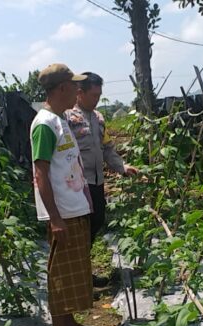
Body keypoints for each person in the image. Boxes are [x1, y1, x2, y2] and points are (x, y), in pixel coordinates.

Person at [32, 63, 102, 326]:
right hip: (62, 213)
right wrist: (56, 218)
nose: (78, 90)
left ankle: (70, 324)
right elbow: (40, 174)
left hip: (74, 208)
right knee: (61, 274)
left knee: (74, 271)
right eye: (74, 86)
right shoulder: (45, 124)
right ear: (62, 88)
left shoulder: (60, 120)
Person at [65, 72, 138, 287]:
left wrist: (122, 167)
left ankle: (82, 271)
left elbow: (107, 149)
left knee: (96, 221)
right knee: (79, 230)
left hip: (95, 183)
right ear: (80, 93)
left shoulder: (98, 118)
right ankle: (78, 275)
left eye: (99, 95)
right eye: (94, 95)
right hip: (76, 185)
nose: (97, 99)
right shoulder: (67, 118)